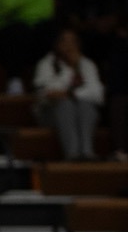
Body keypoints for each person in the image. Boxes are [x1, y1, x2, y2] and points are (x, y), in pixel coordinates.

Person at [31, 27, 105, 160]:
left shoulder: (86, 64)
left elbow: (97, 94)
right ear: (57, 44)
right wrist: (70, 70)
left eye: (73, 42)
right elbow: (47, 93)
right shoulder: (46, 63)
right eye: (64, 41)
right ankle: (73, 154)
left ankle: (87, 153)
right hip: (50, 114)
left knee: (86, 106)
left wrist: (71, 94)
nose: (69, 46)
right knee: (66, 105)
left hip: (81, 113)